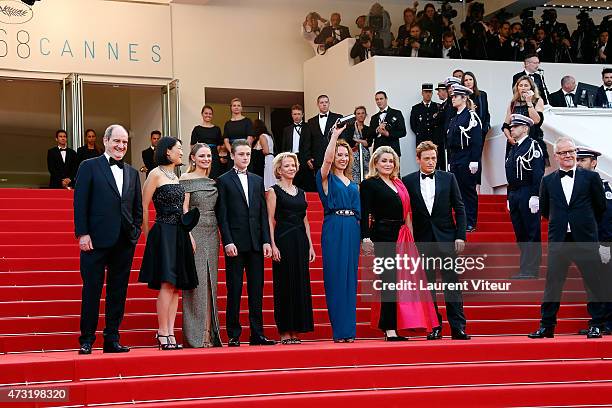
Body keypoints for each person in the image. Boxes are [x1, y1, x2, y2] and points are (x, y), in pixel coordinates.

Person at [528, 137, 608, 340]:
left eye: (571, 151)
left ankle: (597, 324)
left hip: (585, 238)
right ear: (556, 156)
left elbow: (600, 207)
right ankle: (547, 326)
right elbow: (545, 210)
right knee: (552, 284)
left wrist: (585, 224)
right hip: (559, 239)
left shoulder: (591, 178)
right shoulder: (547, 181)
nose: (568, 155)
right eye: (563, 153)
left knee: (593, 282)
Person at [73, 124, 143, 354]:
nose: (121, 146)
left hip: (124, 241)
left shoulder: (132, 172)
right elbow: (80, 202)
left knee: (118, 291)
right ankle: (87, 340)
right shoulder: (89, 166)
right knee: (91, 290)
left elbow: (137, 207)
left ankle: (112, 339)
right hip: (95, 240)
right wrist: (82, 233)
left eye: (124, 142)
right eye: (117, 141)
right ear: (105, 141)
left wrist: (134, 232)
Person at [361, 146, 438, 341]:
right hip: (383, 236)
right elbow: (365, 213)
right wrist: (366, 237)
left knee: (402, 284)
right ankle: (389, 329)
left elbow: (408, 213)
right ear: (375, 163)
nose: (388, 164)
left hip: (403, 235)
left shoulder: (399, 183)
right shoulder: (370, 184)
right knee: (389, 282)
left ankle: (399, 325)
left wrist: (411, 236)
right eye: (384, 161)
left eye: (391, 161)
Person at [402, 141, 470, 340]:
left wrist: (460, 235)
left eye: (433, 158)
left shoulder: (449, 178)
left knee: (452, 285)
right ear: (418, 159)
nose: (431, 162)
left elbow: (460, 208)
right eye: (427, 158)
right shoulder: (408, 181)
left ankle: (458, 327)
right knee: (428, 286)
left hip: (447, 238)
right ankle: (434, 326)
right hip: (422, 241)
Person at [139, 137, 197, 350]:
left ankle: (171, 332)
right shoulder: (154, 174)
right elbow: (144, 207)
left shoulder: (175, 176)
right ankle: (163, 332)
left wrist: (189, 234)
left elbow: (183, 210)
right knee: (166, 283)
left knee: (175, 286)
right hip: (162, 232)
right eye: (178, 149)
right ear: (167, 152)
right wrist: (147, 236)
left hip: (179, 233)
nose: (181, 153)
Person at [216, 140, 275, 347]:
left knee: (256, 290)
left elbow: (262, 214)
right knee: (234, 289)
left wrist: (267, 240)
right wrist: (227, 241)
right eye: (241, 154)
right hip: (235, 244)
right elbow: (222, 215)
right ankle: (233, 334)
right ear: (232, 156)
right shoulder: (223, 180)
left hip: (256, 243)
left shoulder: (258, 180)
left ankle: (257, 333)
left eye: (248, 154)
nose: (245, 158)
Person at [316, 122, 360, 343]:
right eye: (339, 155)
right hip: (334, 227)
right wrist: (334, 137)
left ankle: (349, 331)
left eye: (345, 155)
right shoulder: (326, 178)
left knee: (350, 280)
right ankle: (340, 332)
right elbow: (326, 161)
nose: (342, 158)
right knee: (335, 278)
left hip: (352, 227)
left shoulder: (353, 183)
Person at [266, 152, 316, 345]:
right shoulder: (273, 191)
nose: (291, 168)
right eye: (287, 166)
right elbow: (270, 220)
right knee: (284, 285)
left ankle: (296, 330)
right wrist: (273, 244)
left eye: (293, 165)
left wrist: (310, 245)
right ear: (279, 169)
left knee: (300, 284)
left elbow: (306, 220)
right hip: (283, 240)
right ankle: (285, 331)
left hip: (300, 242)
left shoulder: (301, 192)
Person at [179, 143, 222, 348]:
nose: (206, 159)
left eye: (209, 156)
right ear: (193, 158)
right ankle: (196, 336)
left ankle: (209, 334)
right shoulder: (185, 180)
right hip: (194, 231)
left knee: (210, 282)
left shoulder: (213, 181)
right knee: (196, 284)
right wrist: (188, 235)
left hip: (213, 232)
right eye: (202, 155)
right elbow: (184, 210)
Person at [575, 147, 612, 336]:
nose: (579, 163)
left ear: (594, 162)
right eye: (577, 160)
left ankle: (608, 322)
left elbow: (606, 218)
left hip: (601, 243)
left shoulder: (601, 187)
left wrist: (605, 245)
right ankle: (597, 322)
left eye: (583, 160)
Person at [504, 114, 544, 280]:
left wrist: (535, 195)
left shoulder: (533, 146)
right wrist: (508, 196)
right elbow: (510, 174)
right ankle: (526, 267)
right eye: (512, 126)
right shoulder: (514, 147)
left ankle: (530, 269)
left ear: (525, 128)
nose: (511, 128)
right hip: (515, 193)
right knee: (520, 231)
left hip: (528, 192)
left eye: (515, 126)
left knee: (531, 231)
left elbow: (538, 172)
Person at [446, 84, 482, 232]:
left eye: (456, 96)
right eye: (452, 96)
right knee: (458, 192)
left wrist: (474, 160)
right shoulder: (455, 118)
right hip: (455, 158)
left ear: (464, 97)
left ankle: (471, 222)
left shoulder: (471, 116)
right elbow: (450, 142)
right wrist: (449, 161)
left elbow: (476, 140)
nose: (453, 99)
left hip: (467, 157)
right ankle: (462, 221)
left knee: (468, 191)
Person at [502, 75, 547, 165]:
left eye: (526, 85)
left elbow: (537, 121)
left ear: (531, 88)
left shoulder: (538, 101)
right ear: (517, 88)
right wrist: (510, 138)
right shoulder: (513, 103)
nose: (523, 88)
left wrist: (529, 102)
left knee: (533, 170)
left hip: (532, 140)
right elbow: (506, 125)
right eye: (521, 85)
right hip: (515, 143)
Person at [462, 71, 490, 188]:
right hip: (466, 132)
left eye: (470, 79)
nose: (468, 82)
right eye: (466, 80)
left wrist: (485, 126)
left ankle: (477, 184)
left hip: (479, 132)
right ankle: (467, 182)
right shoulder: (462, 96)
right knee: (466, 156)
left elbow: (486, 113)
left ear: (474, 81)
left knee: (476, 156)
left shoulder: (482, 94)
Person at [307, 94, 344, 174]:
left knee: (334, 182)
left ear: (329, 103)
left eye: (326, 102)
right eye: (321, 102)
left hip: (334, 157)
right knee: (319, 183)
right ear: (318, 104)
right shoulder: (311, 121)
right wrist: (308, 157)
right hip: (317, 159)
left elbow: (341, 138)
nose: (324, 104)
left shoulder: (337, 118)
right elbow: (308, 141)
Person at [281, 104, 314, 192]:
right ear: (291, 115)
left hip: (304, 158)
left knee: (305, 182)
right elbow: (284, 146)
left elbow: (311, 143)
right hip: (291, 157)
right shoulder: (287, 130)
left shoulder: (308, 127)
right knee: (291, 180)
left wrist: (309, 157)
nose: (296, 116)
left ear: (302, 115)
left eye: (299, 114)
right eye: (294, 114)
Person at [367, 91, 406, 157]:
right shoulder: (374, 117)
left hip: (393, 151)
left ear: (386, 99)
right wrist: (377, 130)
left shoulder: (396, 113)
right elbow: (370, 135)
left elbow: (403, 132)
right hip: (378, 152)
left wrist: (388, 134)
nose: (379, 101)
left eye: (381, 99)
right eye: (377, 99)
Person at [190, 105, 223, 179]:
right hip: (201, 155)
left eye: (210, 113)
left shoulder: (217, 129)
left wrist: (213, 154)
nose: (208, 115)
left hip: (214, 156)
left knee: (215, 177)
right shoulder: (197, 129)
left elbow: (219, 145)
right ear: (202, 114)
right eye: (206, 113)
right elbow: (193, 145)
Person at [223, 98, 254, 166]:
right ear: (231, 108)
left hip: (244, 154)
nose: (236, 107)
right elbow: (226, 140)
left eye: (238, 105)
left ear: (241, 108)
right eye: (234, 105)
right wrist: (233, 152)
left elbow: (250, 138)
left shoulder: (247, 121)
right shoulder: (228, 123)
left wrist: (243, 152)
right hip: (232, 155)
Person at [345, 106, 371, 182]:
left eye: (363, 113)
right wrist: (362, 141)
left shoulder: (368, 129)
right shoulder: (349, 128)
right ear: (355, 115)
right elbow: (348, 141)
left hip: (365, 158)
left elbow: (368, 143)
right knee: (354, 179)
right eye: (358, 113)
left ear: (366, 115)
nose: (361, 115)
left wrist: (355, 140)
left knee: (366, 178)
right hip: (353, 158)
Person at [249, 119, 274, 190]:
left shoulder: (262, 136)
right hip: (270, 159)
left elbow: (266, 151)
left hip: (266, 160)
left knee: (266, 181)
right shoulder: (268, 136)